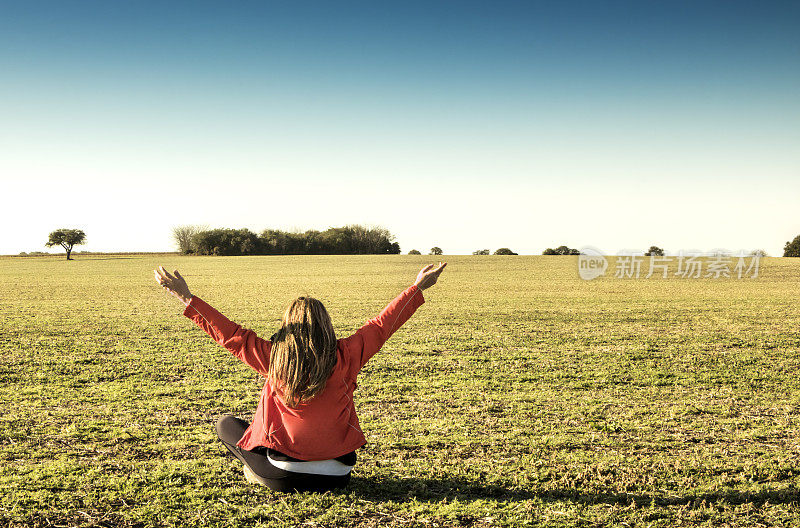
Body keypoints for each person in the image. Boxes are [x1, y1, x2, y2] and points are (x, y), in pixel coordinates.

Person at [153, 262, 447, 492]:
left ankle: (255, 471)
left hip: (283, 476)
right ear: (326, 324)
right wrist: (417, 287)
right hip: (339, 475)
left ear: (287, 324)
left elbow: (230, 335)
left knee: (226, 425)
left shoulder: (273, 357)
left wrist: (186, 297)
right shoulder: (347, 355)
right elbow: (382, 325)